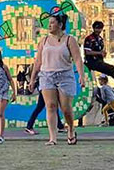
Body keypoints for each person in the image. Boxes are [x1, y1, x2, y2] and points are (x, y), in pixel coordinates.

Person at [31, 13, 81, 145]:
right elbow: (38, 61)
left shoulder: (69, 39)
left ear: (60, 25)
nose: (49, 25)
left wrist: (82, 75)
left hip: (65, 75)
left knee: (65, 108)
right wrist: (32, 79)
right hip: (47, 75)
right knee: (50, 106)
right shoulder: (44, 41)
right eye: (49, 23)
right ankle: (52, 138)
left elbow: (77, 59)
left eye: (52, 22)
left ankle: (70, 128)